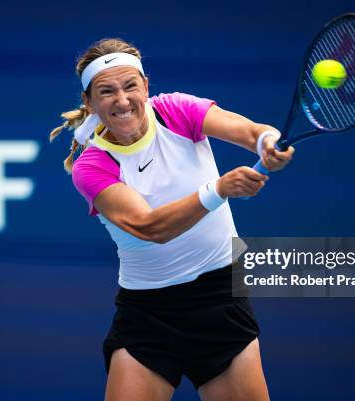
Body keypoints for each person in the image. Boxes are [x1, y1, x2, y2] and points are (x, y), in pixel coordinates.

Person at [49, 38, 294, 401]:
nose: (122, 100)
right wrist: (219, 189)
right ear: (89, 102)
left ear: (146, 86)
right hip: (149, 316)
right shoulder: (92, 166)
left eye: (130, 85)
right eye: (107, 91)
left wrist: (266, 143)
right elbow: (150, 227)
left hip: (220, 298)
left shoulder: (177, 110)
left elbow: (251, 131)